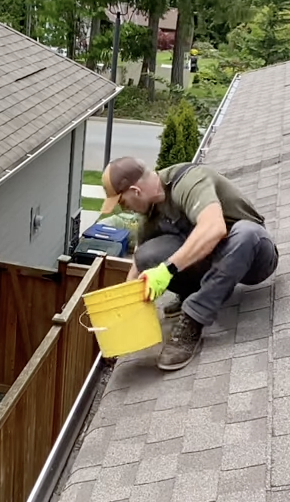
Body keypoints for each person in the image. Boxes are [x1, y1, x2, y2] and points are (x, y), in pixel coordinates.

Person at [99, 156, 278, 371]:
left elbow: (215, 228)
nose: (126, 209)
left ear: (136, 191)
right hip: (214, 262)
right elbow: (137, 264)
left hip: (254, 257)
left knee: (246, 232)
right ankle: (192, 292)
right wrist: (123, 321)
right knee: (147, 255)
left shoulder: (188, 181)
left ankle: (193, 319)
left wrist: (167, 270)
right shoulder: (151, 214)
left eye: (123, 203)